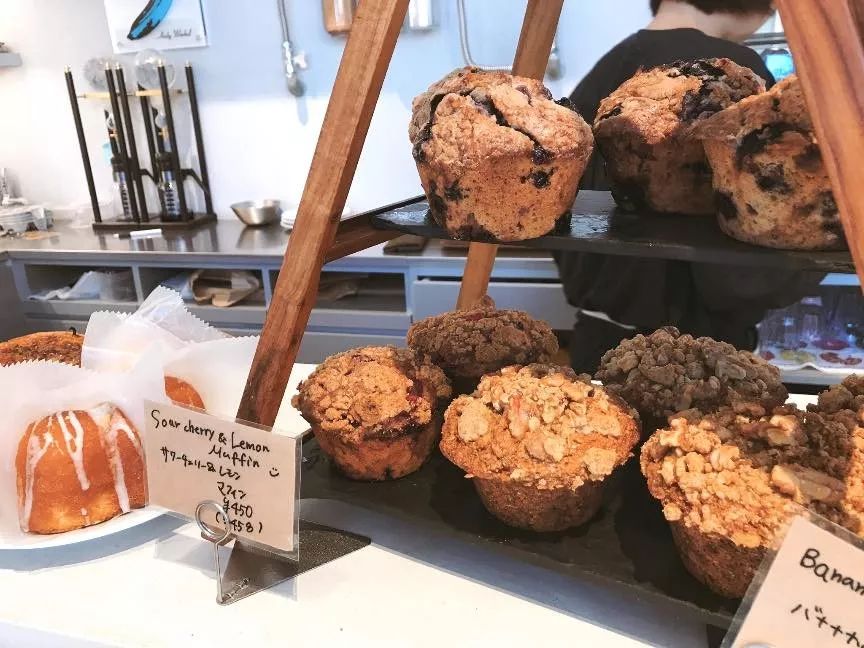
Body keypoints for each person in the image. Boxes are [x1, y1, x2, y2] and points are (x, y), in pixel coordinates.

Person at [556, 0, 822, 373]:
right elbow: (748, 270)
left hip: (602, 340)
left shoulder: (606, 71)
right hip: (705, 354)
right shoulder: (740, 79)